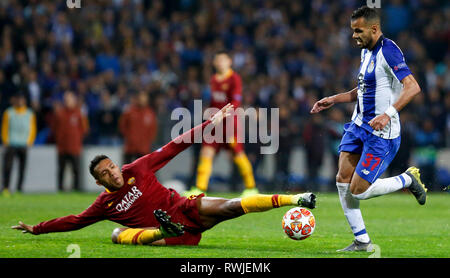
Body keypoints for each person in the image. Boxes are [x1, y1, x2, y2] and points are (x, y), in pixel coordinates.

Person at [11, 104, 316, 246]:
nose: (113, 174)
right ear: (99, 182)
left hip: (182, 207)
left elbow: (174, 146)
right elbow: (74, 221)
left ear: (117, 166)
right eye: (105, 174)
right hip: (169, 235)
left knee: (232, 206)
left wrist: (210, 125)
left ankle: (296, 197)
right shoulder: (103, 206)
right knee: (117, 235)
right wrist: (37, 229)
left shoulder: (137, 168)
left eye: (112, 167)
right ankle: (161, 232)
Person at [310, 6, 426, 252]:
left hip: (381, 134)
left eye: (358, 31)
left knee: (359, 191)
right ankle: (362, 240)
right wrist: (334, 98)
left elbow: (413, 87)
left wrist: (388, 114)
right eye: (353, 30)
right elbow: (361, 90)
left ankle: (407, 178)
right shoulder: (365, 52)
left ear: (374, 28)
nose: (353, 36)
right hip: (359, 125)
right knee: (342, 179)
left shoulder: (390, 51)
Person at [184, 51, 258, 197]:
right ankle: (200, 188)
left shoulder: (234, 79)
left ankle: (251, 188)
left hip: (229, 123)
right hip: (215, 123)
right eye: (217, 61)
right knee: (206, 153)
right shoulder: (213, 80)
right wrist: (209, 112)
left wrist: (223, 114)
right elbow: (214, 102)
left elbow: (236, 101)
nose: (220, 63)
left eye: (223, 60)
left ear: (229, 62)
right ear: (214, 63)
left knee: (237, 154)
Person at [51, 91, 89, 192]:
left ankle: (76, 188)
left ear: (74, 100)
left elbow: (84, 129)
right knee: (61, 170)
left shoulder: (79, 113)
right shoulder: (59, 113)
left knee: (76, 169)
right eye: (66, 99)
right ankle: (60, 189)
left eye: (69, 99)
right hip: (62, 147)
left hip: (74, 147)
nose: (67, 101)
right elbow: (54, 128)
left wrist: (77, 140)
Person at [1, 93, 36, 196]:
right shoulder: (9, 112)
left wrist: (29, 141)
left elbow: (32, 128)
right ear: (15, 101)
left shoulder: (29, 113)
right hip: (11, 144)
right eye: (18, 100)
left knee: (22, 168)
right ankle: (6, 188)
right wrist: (6, 141)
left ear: (24, 101)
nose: (20, 102)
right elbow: (4, 127)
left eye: (22, 100)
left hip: (23, 144)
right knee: (7, 167)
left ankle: (20, 188)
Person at [118, 91, 158, 164]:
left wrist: (148, 141)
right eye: (141, 98)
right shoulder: (129, 111)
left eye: (145, 98)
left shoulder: (150, 113)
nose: (143, 100)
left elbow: (153, 130)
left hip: (144, 149)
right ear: (138, 99)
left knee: (141, 172)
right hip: (130, 147)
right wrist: (128, 137)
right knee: (127, 171)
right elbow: (122, 125)